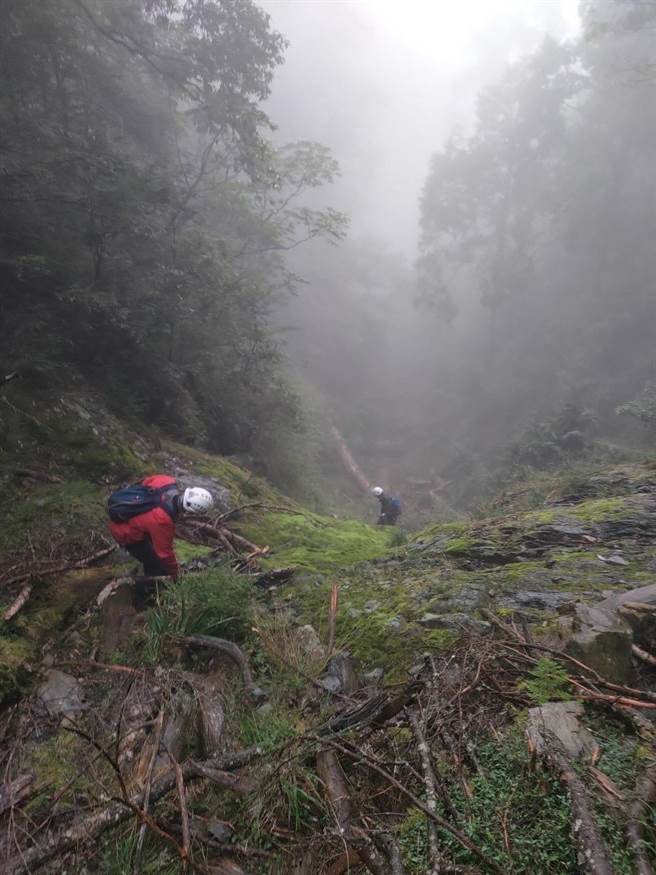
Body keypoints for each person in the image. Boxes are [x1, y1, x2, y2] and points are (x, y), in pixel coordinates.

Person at [107, 474, 213, 579]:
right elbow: (165, 554)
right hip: (124, 532)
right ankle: (146, 589)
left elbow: (143, 484)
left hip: (125, 513)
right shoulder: (163, 521)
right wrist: (175, 573)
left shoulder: (167, 481)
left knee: (153, 545)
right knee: (155, 565)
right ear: (191, 512)